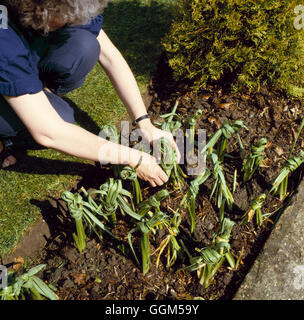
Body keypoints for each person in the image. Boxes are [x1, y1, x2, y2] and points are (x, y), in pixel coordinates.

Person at [0, 0, 179, 187]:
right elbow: (49, 132)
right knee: (62, 118)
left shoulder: (59, 5)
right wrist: (133, 158)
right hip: (6, 57)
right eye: (64, 19)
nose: (71, 22)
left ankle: (33, 96)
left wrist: (144, 122)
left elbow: (109, 56)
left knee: (85, 44)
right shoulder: (4, 39)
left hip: (18, 53)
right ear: (41, 12)